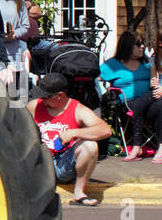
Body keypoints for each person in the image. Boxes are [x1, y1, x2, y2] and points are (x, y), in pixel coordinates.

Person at [29, 72, 110, 205]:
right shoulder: (34, 105)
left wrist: (74, 132)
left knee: (90, 145)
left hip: (62, 164)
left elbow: (105, 130)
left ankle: (79, 193)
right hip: (39, 163)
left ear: (59, 95)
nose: (42, 99)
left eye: (45, 97)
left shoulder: (77, 109)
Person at [100, 31, 162, 163]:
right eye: (138, 44)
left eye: (143, 44)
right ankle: (140, 147)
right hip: (127, 105)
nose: (143, 47)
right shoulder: (112, 65)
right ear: (127, 46)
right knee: (139, 105)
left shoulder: (147, 64)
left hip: (149, 103)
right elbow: (97, 79)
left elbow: (157, 78)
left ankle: (156, 148)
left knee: (160, 105)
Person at [0, 0, 30, 76]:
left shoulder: (19, 1)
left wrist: (15, 34)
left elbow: (25, 26)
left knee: (14, 88)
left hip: (14, 51)